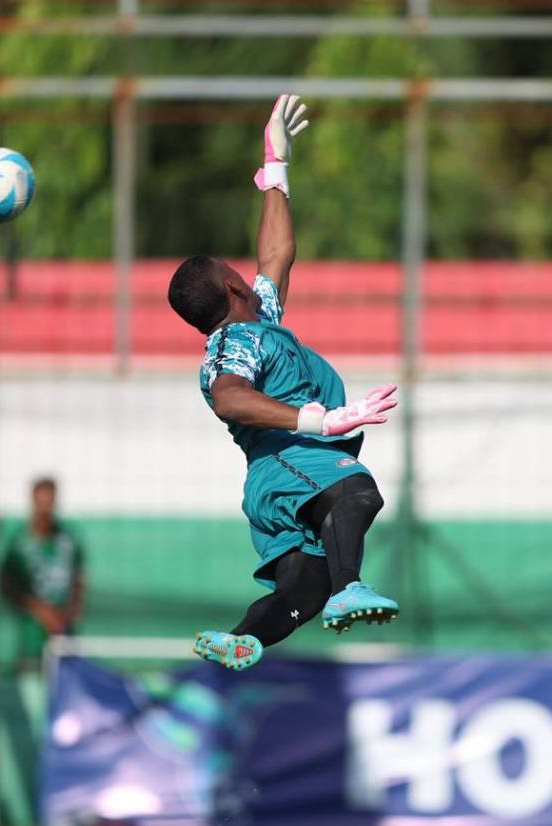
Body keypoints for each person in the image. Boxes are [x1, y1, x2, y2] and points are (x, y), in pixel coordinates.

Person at [166, 95, 399, 671]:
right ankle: (351, 587)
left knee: (304, 588)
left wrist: (276, 166)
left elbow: (277, 253)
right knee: (357, 491)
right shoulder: (234, 343)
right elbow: (229, 398)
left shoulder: (258, 319)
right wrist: (319, 420)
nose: (246, 271)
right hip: (291, 462)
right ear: (231, 286)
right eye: (233, 270)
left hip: (288, 474)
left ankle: (243, 639)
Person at [0, 477, 86, 664]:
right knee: (30, 672)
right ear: (33, 501)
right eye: (41, 502)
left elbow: (79, 579)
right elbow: (7, 585)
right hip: (29, 635)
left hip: (62, 633)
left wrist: (70, 613)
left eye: (50, 502)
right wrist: (39, 610)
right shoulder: (19, 541)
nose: (45, 508)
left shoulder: (68, 538)